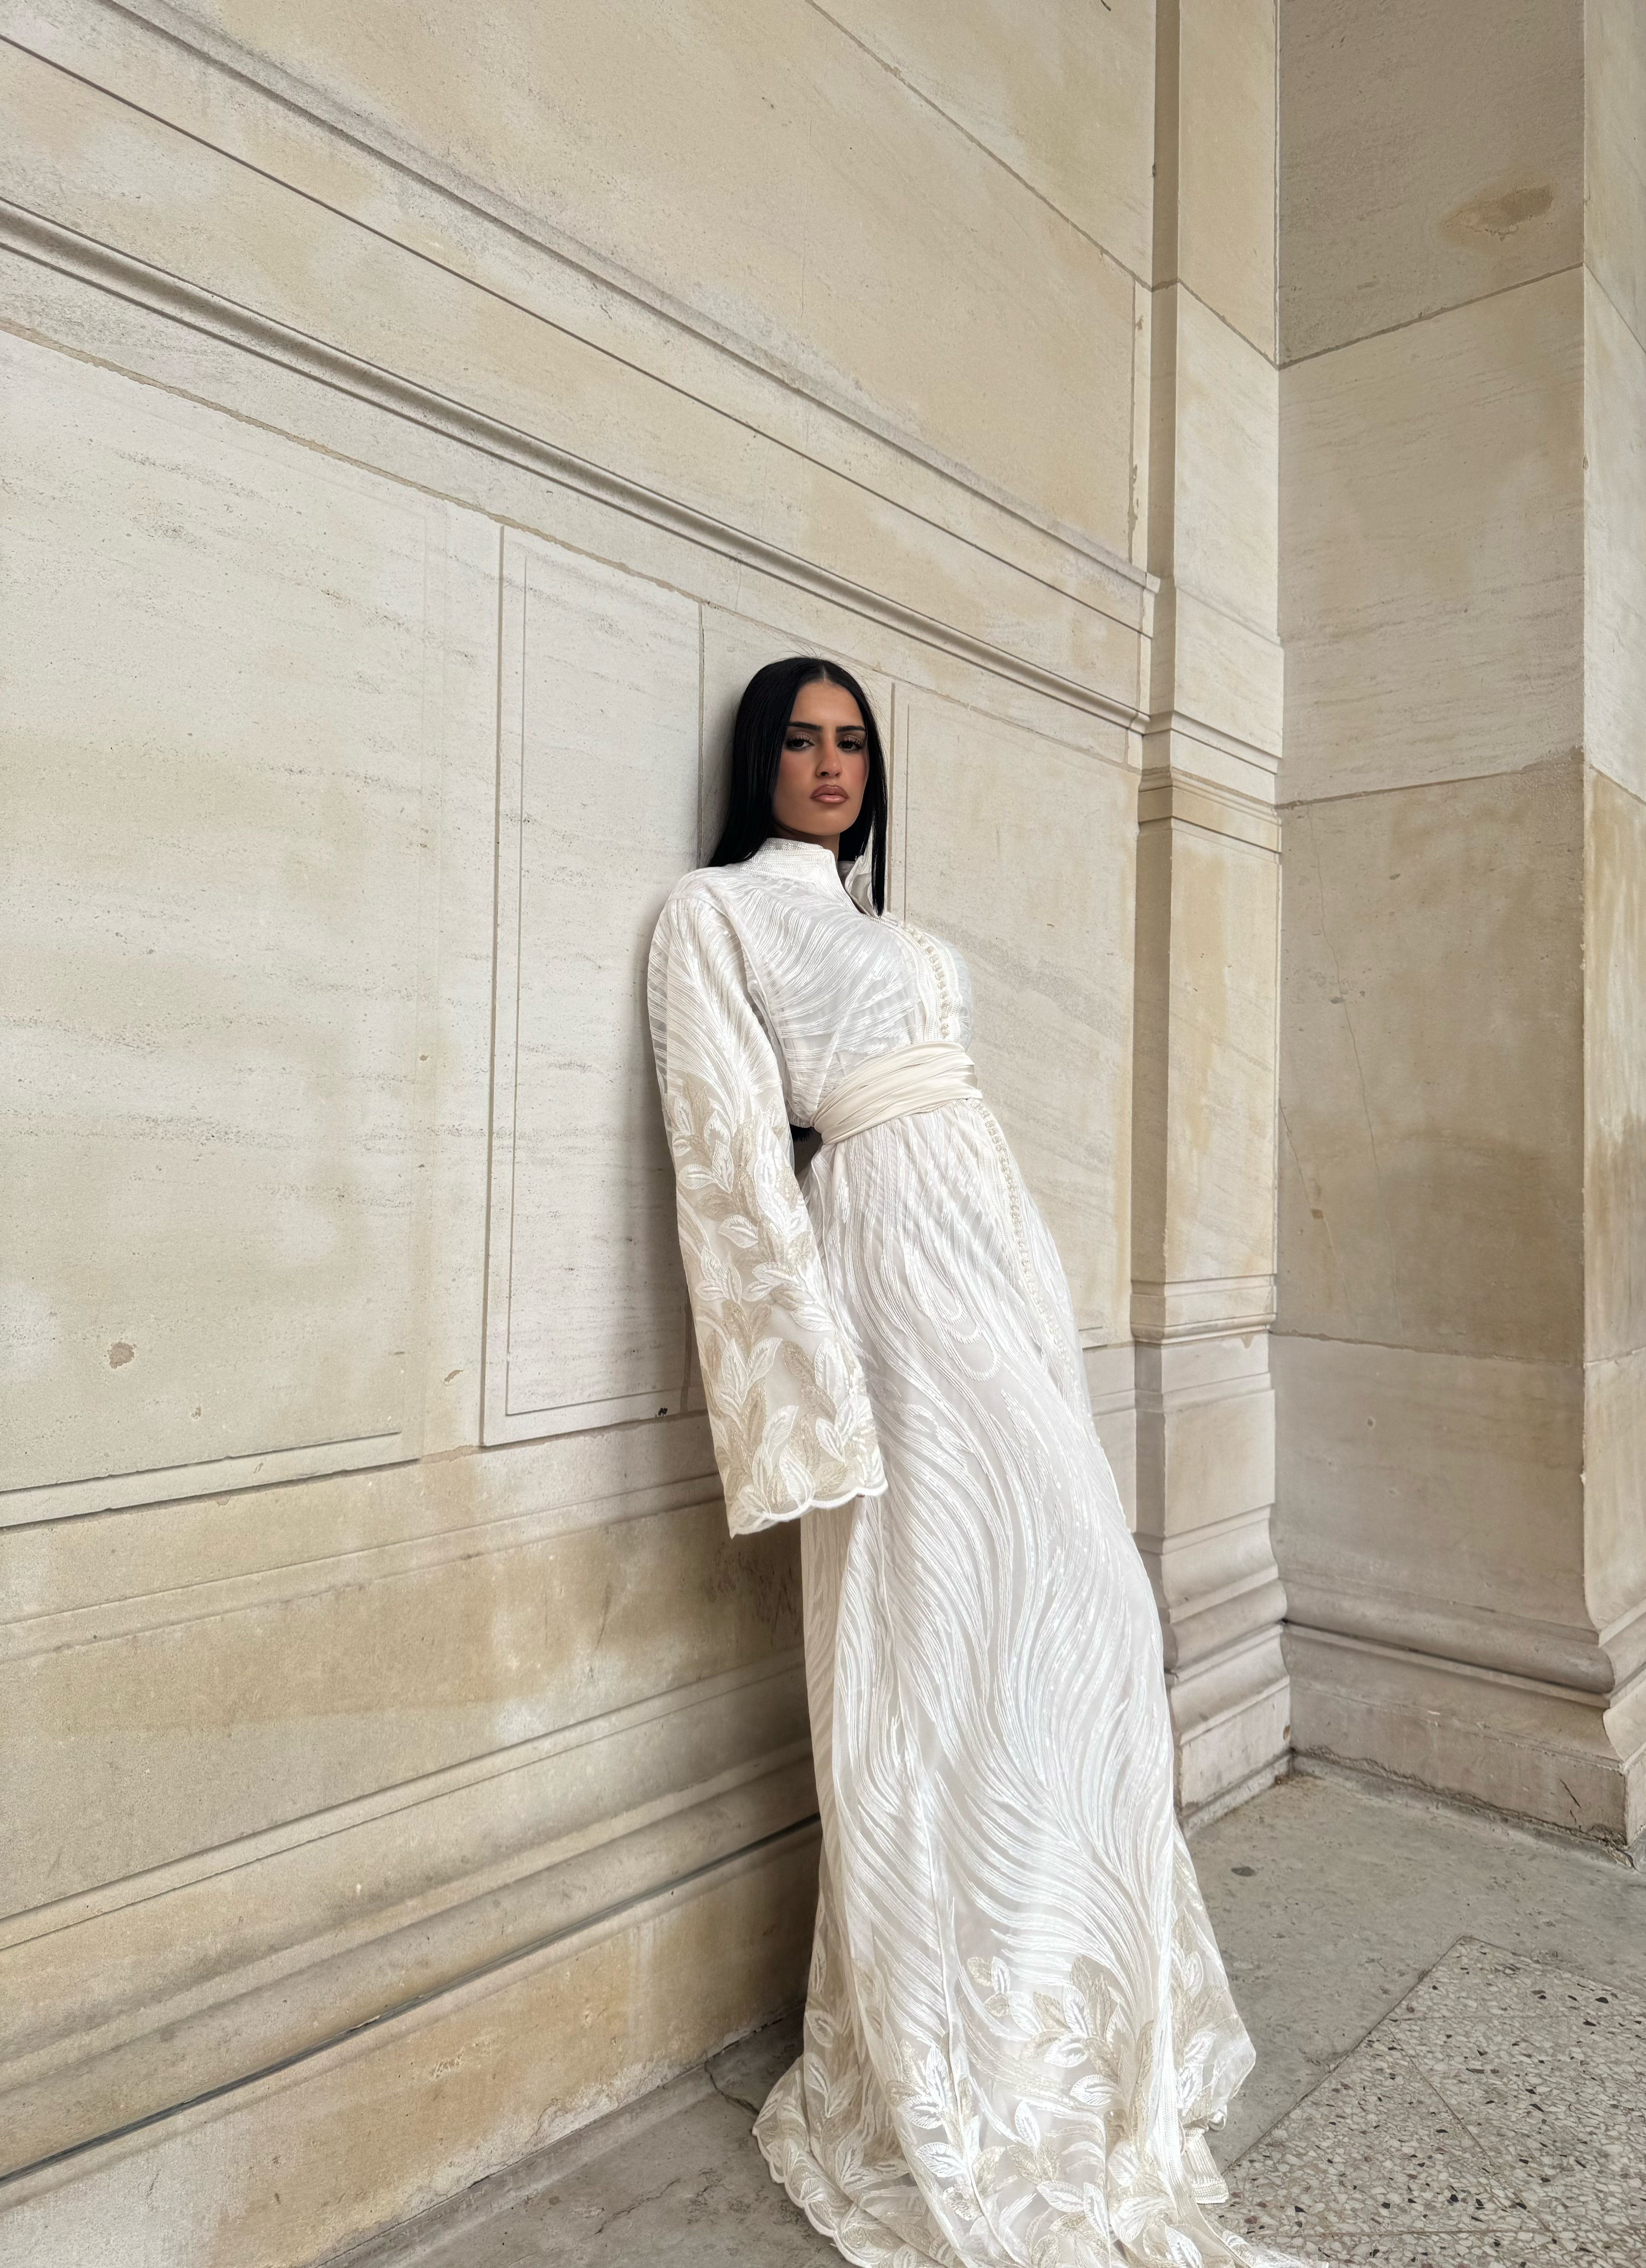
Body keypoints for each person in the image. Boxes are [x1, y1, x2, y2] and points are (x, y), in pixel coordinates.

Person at [647, 658, 1310, 2268]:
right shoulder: (716, 914)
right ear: (757, 760)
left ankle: (1073, 2005)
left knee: (1090, 1618)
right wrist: (802, 1395)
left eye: (851, 741)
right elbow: (727, 1154)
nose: (830, 763)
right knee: (939, 1628)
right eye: (800, 740)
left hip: (993, 1256)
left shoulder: (888, 928)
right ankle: (969, 2033)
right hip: (887, 1272)